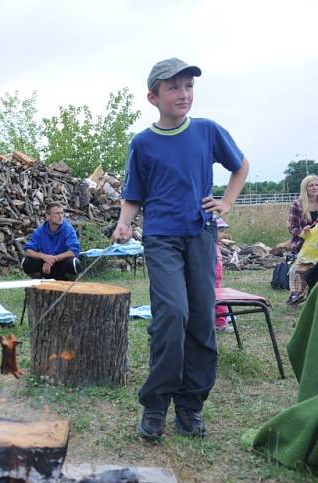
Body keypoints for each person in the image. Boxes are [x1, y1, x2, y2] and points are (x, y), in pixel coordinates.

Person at [112, 58, 249, 441]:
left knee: (202, 319)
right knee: (172, 314)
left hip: (200, 235)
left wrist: (227, 202)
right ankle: (156, 405)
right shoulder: (143, 143)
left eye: (189, 86)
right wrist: (125, 222)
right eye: (174, 87)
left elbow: (240, 167)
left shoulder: (207, 131)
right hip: (161, 238)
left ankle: (190, 407)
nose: (183, 94)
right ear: (153, 96)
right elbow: (133, 194)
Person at [21, 203, 81, 279]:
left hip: (61, 266)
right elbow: (28, 251)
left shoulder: (68, 228)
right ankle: (39, 284)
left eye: (62, 213)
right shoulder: (40, 231)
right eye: (57, 213)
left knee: (74, 263)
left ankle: (69, 285)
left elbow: (74, 251)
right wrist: (44, 257)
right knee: (26, 262)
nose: (60, 216)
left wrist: (53, 259)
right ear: (48, 216)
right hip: (45, 268)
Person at [285, 175, 318, 305]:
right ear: (305, 188)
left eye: (316, 185)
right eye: (311, 185)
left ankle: (305, 292)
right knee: (298, 268)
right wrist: (303, 233)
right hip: (302, 243)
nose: (315, 188)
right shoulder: (297, 204)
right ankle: (297, 293)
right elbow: (292, 227)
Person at [214, 218, 230, 332]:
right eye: (220, 231)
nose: (222, 234)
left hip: (216, 280)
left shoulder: (215, 245)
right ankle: (220, 324)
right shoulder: (208, 246)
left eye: (223, 231)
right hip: (211, 280)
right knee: (219, 301)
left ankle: (219, 322)